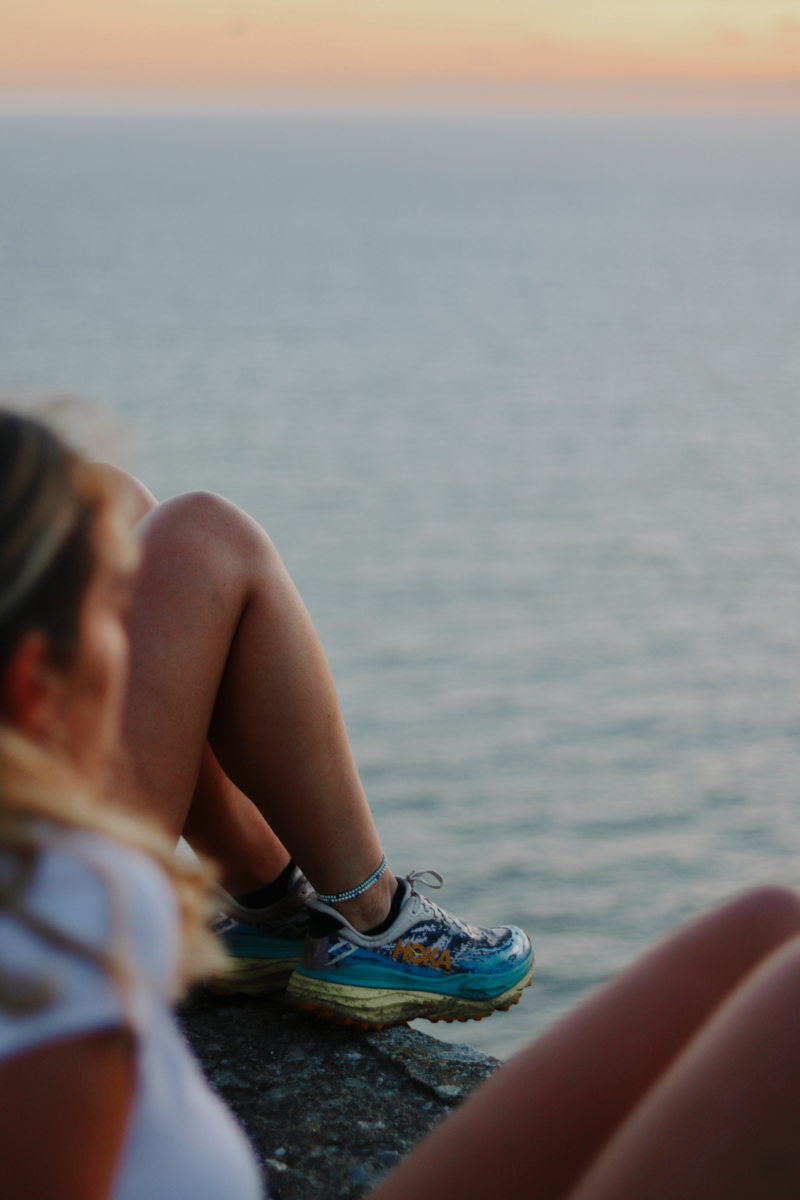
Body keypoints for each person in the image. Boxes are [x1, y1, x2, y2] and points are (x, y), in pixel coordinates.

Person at [2, 409, 800, 1200]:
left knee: (772, 927)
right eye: (105, 626)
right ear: (35, 686)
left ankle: (276, 906)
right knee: (206, 538)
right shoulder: (59, 905)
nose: (127, 644)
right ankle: (372, 916)